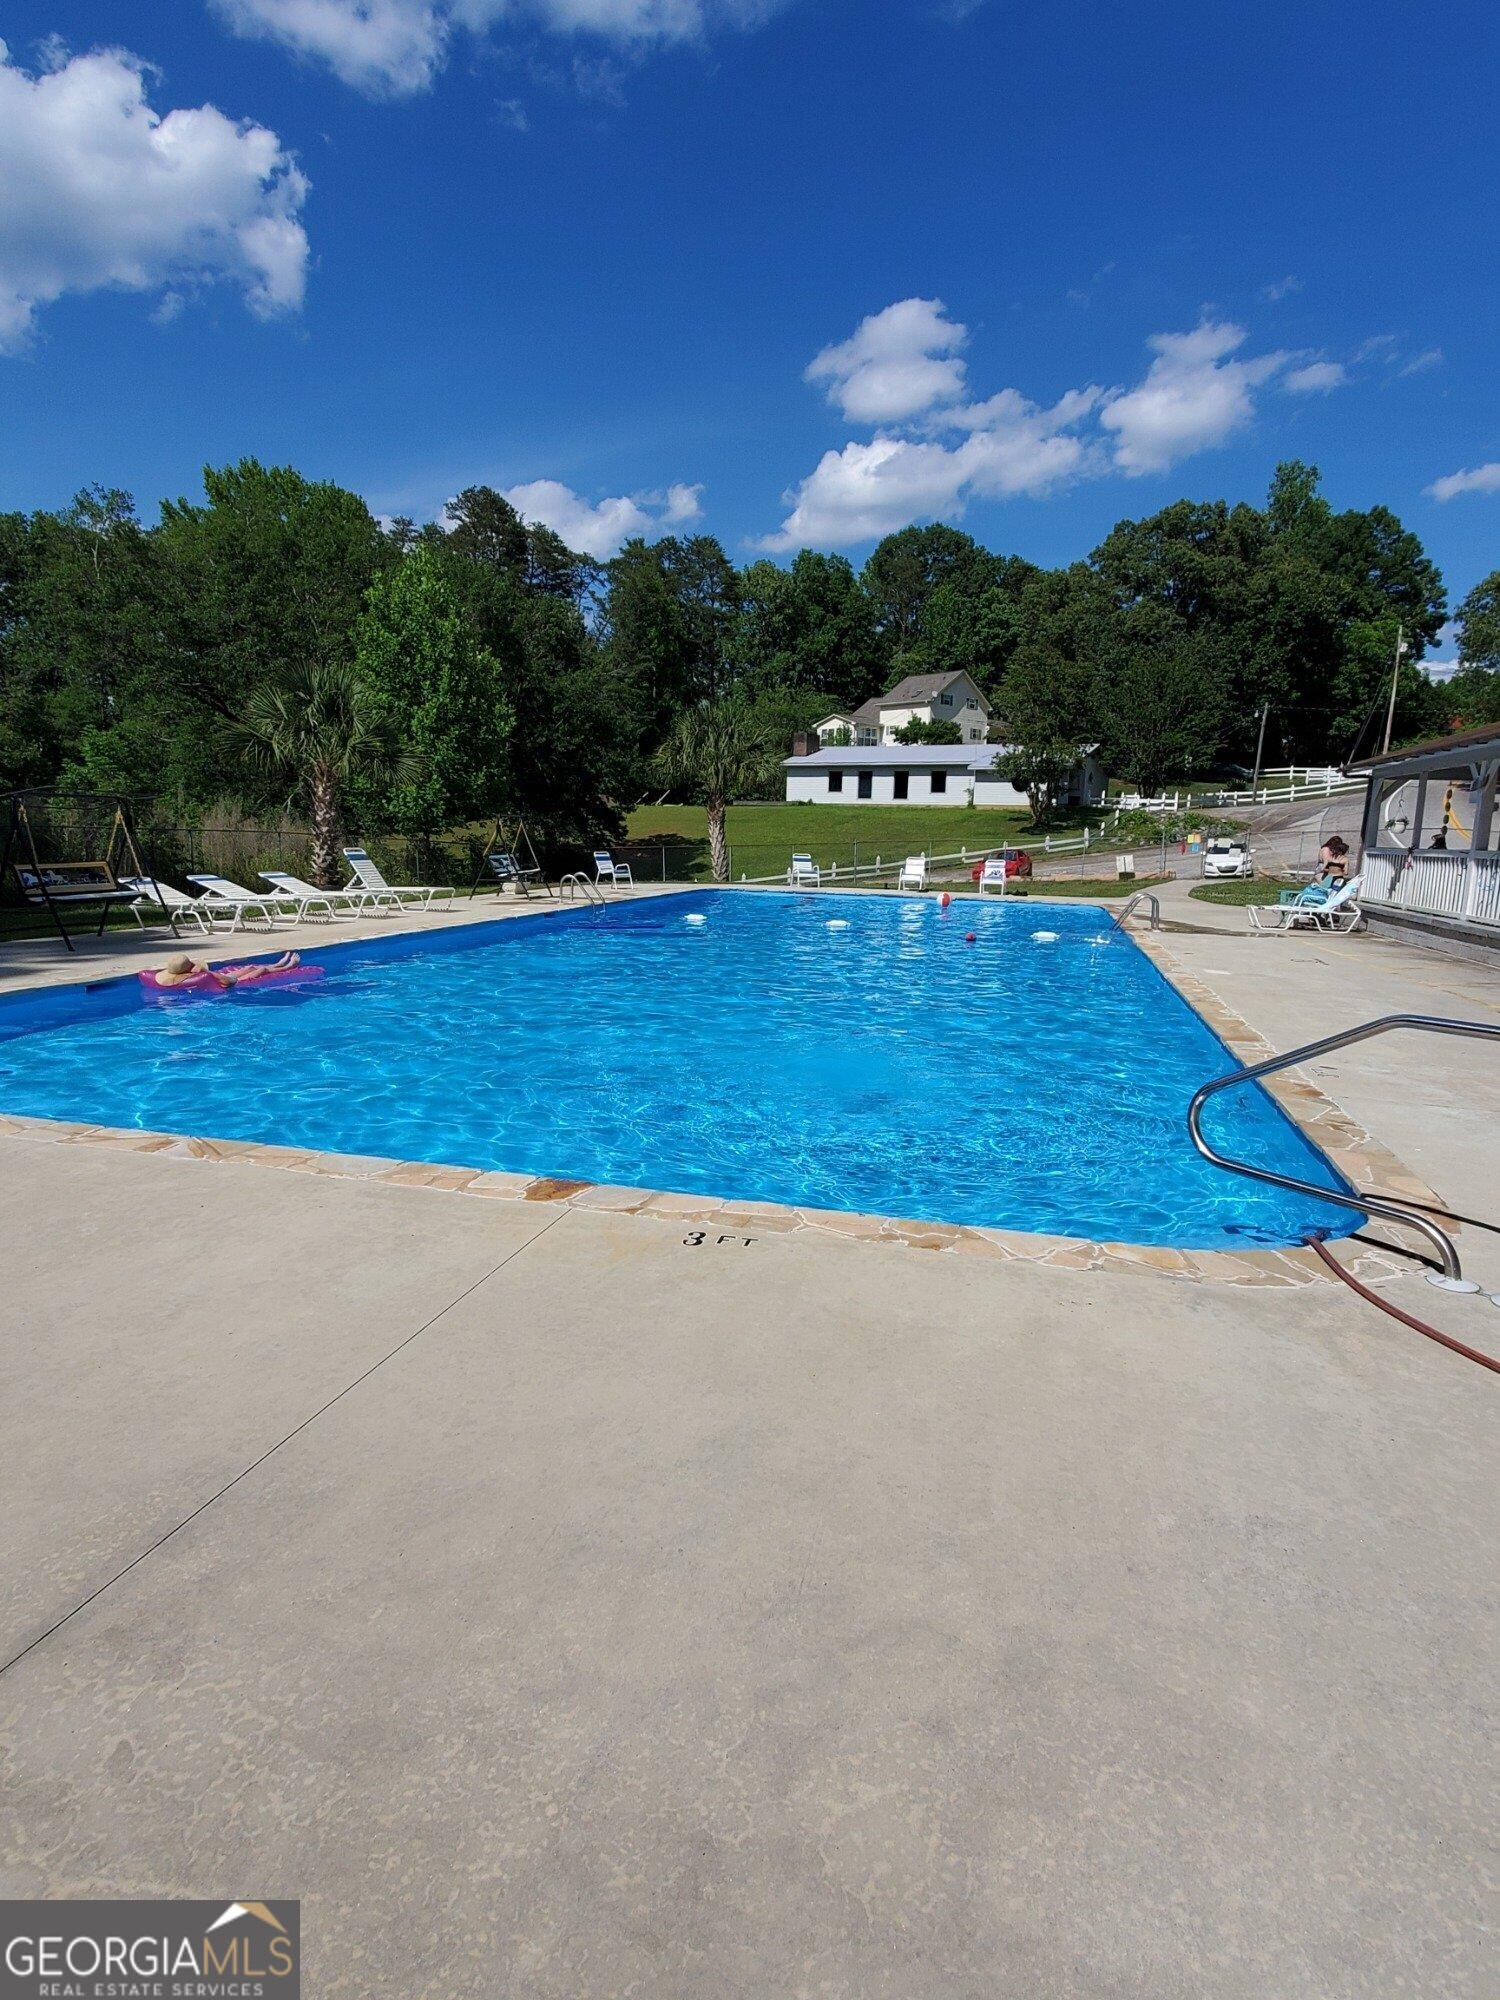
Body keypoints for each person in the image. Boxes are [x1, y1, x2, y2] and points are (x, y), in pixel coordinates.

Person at [154, 951, 300, 989]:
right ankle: (287, 966)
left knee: (250, 967)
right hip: (231, 982)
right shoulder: (199, 976)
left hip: (223, 978)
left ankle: (277, 964)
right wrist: (206, 972)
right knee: (261, 970)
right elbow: (228, 982)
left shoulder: (185, 975)